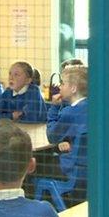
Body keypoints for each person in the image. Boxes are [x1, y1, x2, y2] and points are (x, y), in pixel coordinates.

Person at [43, 65, 89, 205]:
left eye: (63, 83)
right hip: (89, 169)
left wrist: (54, 107)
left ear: (73, 88)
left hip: (73, 170)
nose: (59, 87)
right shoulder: (93, 107)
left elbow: (52, 136)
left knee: (38, 161)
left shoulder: (70, 112)